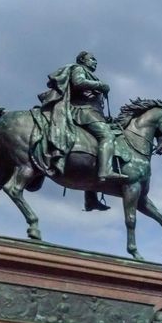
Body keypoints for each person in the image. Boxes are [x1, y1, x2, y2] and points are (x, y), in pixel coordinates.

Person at [37, 51, 124, 212]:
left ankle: (91, 198)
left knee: (92, 150)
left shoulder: (89, 73)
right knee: (107, 135)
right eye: (92, 59)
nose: (95, 62)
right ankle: (106, 171)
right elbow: (78, 83)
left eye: (95, 60)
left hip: (92, 112)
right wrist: (100, 85)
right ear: (83, 60)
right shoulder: (79, 69)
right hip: (83, 111)